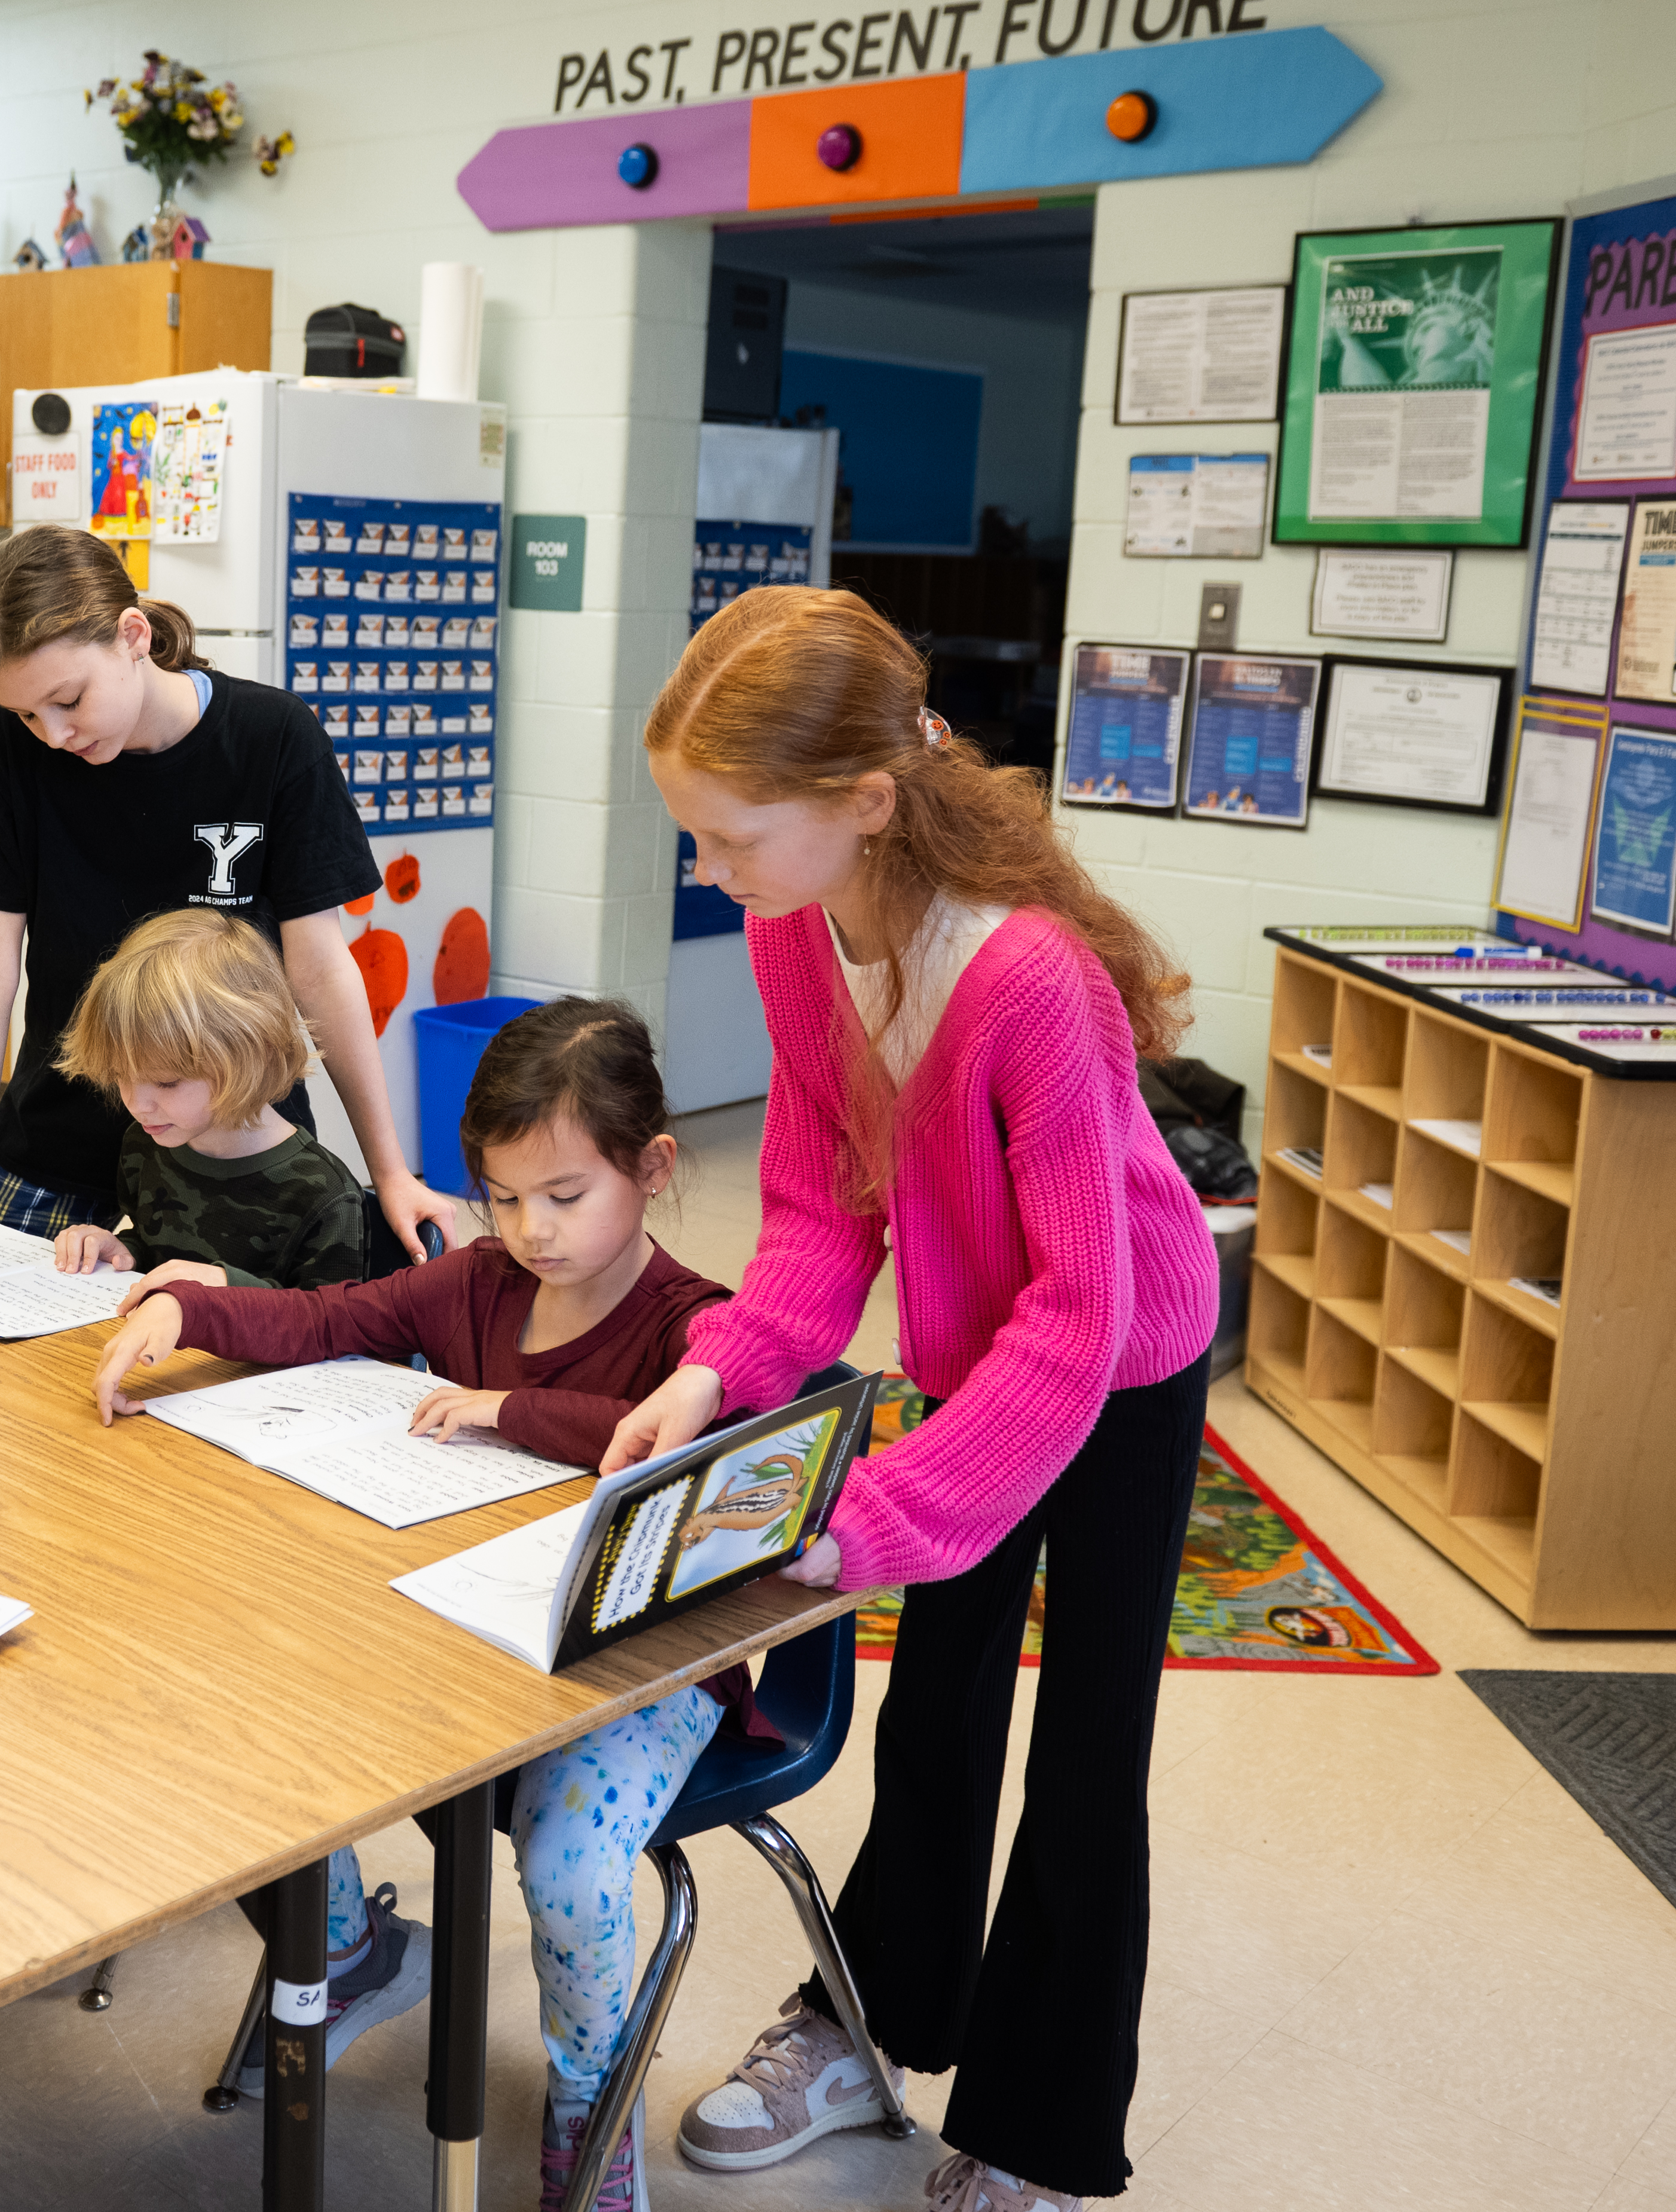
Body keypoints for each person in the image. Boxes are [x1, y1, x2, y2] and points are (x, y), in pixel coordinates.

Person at [613, 585, 1219, 2212]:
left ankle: (1033, 2135)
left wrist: (880, 1514)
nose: (710, 871)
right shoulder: (793, 926)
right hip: (973, 1348)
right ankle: (869, 2028)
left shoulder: (1029, 979)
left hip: (1123, 1357)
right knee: (933, 1707)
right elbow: (820, 1214)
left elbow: (1080, 1313)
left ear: (863, 804)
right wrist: (715, 1367)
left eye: (732, 838)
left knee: (1090, 1754)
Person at [93, 998, 730, 2212]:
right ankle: (343, 1942)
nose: (528, 1229)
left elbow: (697, 1456)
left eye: (562, 1194)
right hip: (470, 1628)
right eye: (500, 1195)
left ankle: (593, 2110)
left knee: (573, 1866)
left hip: (643, 1664)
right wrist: (191, 1305)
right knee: (258, 1687)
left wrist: (504, 1407)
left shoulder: (699, 1322)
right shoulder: (478, 1280)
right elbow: (328, 1320)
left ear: (651, 1170)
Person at [0, 524, 452, 1260]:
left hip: (236, 1158)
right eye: (28, 714)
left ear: (133, 635)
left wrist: (388, 1170)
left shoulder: (273, 739)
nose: (54, 734)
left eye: (69, 699)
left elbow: (322, 970)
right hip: (55, 1151)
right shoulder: (5, 751)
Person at [44, 906, 369, 1292]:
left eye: (166, 1082)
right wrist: (122, 1250)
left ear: (248, 1058)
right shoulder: (144, 1145)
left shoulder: (327, 1196)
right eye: (120, 1076)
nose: (137, 1104)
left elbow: (335, 1330)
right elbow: (160, 1255)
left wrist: (224, 1289)